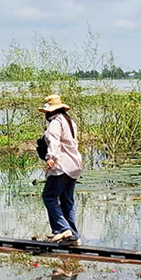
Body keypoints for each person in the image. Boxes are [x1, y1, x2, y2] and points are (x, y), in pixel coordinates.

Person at [39, 94, 82, 244]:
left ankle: (62, 229)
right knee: (67, 201)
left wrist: (51, 157)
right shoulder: (70, 121)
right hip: (74, 165)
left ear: (51, 111)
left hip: (62, 165)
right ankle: (73, 236)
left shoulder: (56, 122)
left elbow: (54, 141)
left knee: (49, 197)